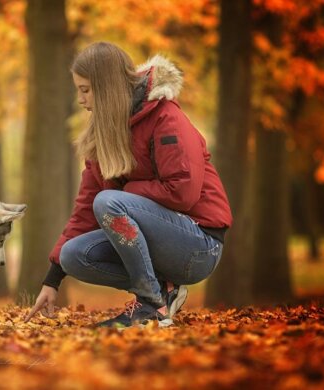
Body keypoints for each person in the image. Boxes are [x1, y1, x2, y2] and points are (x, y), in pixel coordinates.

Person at [24, 42, 232, 328]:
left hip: (199, 245)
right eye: (78, 90)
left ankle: (149, 306)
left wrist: (122, 194)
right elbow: (85, 209)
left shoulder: (166, 119)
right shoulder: (103, 135)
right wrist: (53, 279)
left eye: (86, 90)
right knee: (74, 255)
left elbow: (183, 192)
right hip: (159, 242)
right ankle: (161, 291)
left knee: (109, 202)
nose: (81, 99)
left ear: (106, 86)